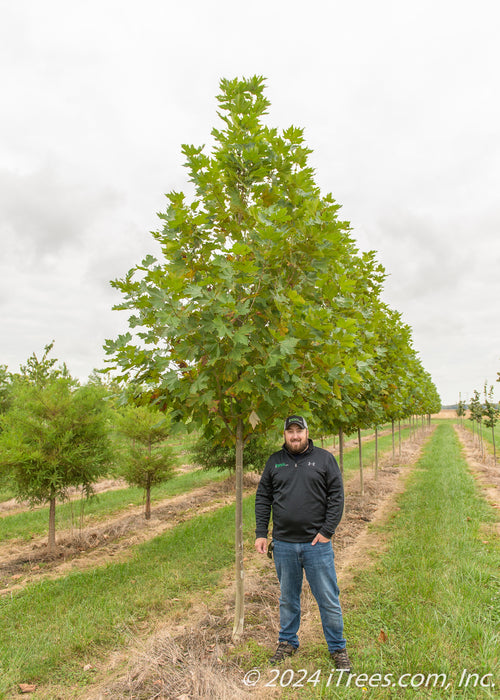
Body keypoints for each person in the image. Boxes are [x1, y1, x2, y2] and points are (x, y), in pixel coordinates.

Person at [255, 415, 351, 669]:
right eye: (290, 431)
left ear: (307, 432)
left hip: (316, 545)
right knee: (288, 598)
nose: (295, 436)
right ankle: (287, 642)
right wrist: (261, 532)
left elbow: (336, 496)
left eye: (299, 431)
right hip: (284, 544)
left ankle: (337, 648)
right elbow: (263, 497)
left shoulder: (324, 459)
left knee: (328, 598)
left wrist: (327, 531)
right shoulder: (275, 462)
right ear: (284, 434)